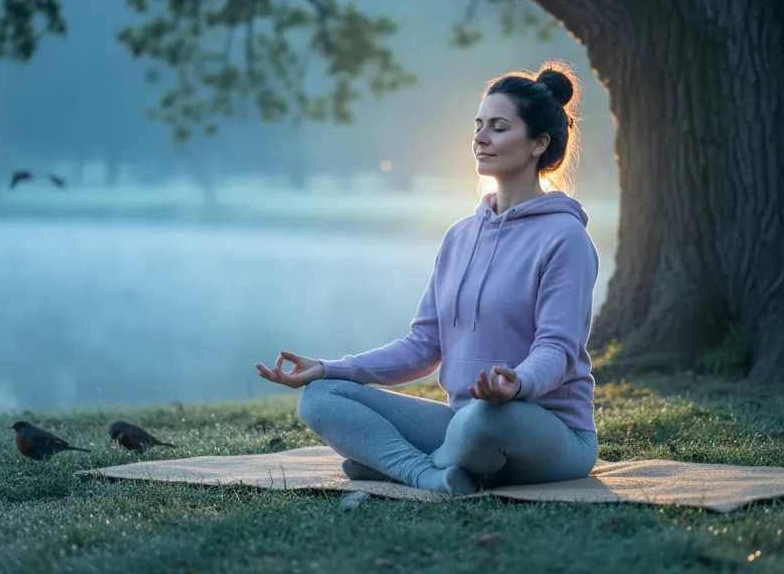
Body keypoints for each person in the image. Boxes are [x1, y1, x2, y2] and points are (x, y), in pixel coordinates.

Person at [255, 61, 600, 496]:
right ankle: (430, 475)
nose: (481, 138)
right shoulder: (460, 236)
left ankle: (391, 462)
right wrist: (329, 368)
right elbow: (423, 345)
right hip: (463, 421)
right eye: (478, 126)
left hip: (547, 430)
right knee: (321, 397)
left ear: (539, 143)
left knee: (480, 421)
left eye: (498, 128)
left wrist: (517, 384)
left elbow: (557, 349)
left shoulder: (565, 237)